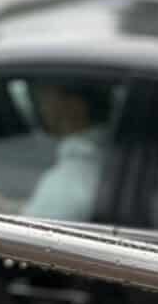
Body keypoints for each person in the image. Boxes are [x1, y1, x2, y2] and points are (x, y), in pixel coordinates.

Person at [22, 81, 114, 223]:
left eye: (46, 99)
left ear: (75, 106)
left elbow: (28, 235)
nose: (41, 109)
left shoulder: (68, 180)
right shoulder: (109, 150)